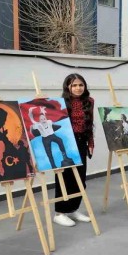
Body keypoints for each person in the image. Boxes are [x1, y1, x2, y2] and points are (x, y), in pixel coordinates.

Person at [52, 74, 95, 227]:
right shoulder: (60, 103)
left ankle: (73, 209)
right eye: (74, 85)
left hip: (82, 142)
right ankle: (60, 213)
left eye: (80, 85)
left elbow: (90, 123)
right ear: (68, 87)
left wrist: (90, 142)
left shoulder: (89, 101)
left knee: (80, 179)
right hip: (65, 143)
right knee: (65, 179)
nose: (78, 88)